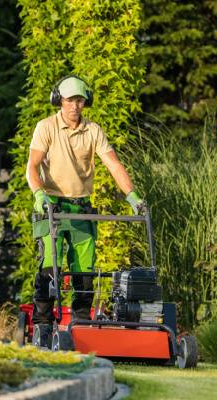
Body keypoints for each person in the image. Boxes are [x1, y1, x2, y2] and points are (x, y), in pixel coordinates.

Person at [25, 75, 144, 345]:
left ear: (85, 102)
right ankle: (42, 326)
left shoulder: (93, 131)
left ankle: (81, 325)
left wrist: (132, 196)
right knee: (48, 267)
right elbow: (32, 166)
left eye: (79, 101)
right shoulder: (46, 127)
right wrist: (38, 193)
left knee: (85, 272)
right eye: (69, 100)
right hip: (51, 205)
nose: (74, 106)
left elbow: (113, 165)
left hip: (81, 208)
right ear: (59, 100)